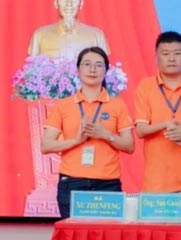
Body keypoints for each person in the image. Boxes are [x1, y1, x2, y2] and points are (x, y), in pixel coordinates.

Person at [41, 47, 134, 218]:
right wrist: (76, 140)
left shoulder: (117, 105)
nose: (92, 69)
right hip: (72, 183)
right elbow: (46, 145)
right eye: (87, 64)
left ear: (106, 71)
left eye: (99, 65)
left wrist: (105, 134)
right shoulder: (64, 105)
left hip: (108, 185)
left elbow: (129, 146)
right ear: (78, 70)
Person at [134, 31, 181, 192]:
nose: (171, 59)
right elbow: (140, 130)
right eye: (165, 54)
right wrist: (165, 125)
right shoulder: (145, 87)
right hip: (156, 183)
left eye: (177, 53)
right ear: (156, 57)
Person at [27, 0, 110, 59]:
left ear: (81, 4)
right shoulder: (40, 35)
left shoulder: (97, 35)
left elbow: (103, 67)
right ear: (56, 3)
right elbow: (32, 68)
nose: (69, 3)